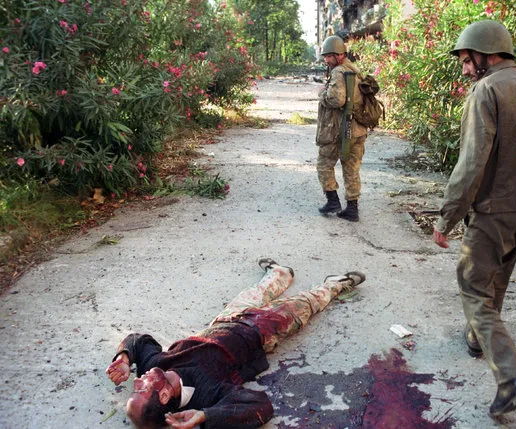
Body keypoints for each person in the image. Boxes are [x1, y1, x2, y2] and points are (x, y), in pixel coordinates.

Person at [431, 20, 516, 416]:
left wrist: (445, 220)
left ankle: (510, 378)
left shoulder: (486, 90)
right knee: (499, 274)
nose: (465, 69)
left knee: (472, 285)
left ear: (487, 53)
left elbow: (471, 165)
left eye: (467, 61)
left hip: (495, 205)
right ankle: (476, 338)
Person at [106, 258, 366, 429]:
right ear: (163, 395)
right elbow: (261, 406)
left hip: (223, 321)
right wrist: (206, 415)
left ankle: (280, 272)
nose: (137, 380)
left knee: (260, 290)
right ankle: (336, 284)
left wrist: (123, 357)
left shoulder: (154, 366)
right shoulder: (207, 394)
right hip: (260, 330)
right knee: (305, 304)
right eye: (141, 389)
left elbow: (138, 341)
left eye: (135, 386)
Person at [316, 35, 368, 222]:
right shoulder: (354, 70)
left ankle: (333, 201)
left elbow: (337, 99)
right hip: (358, 130)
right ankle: (352, 209)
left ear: (339, 55)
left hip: (341, 130)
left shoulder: (339, 72)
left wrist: (322, 95)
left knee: (324, 163)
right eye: (325, 56)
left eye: (329, 56)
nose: (326, 60)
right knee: (352, 168)